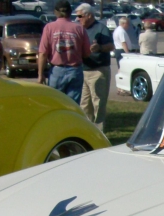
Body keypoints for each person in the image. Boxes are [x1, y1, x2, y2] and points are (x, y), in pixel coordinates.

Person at [38, 1, 91, 103]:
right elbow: (87, 53)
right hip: (75, 70)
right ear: (70, 12)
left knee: (55, 102)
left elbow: (43, 53)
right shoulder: (79, 28)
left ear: (55, 12)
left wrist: (40, 74)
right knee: (73, 105)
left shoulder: (49, 28)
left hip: (57, 71)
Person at [75, 3, 112, 132]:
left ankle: (99, 131)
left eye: (80, 16)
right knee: (84, 104)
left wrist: (99, 48)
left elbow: (111, 46)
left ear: (89, 15)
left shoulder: (101, 28)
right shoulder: (79, 29)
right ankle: (86, 130)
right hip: (84, 70)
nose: (78, 19)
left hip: (98, 70)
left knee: (98, 103)